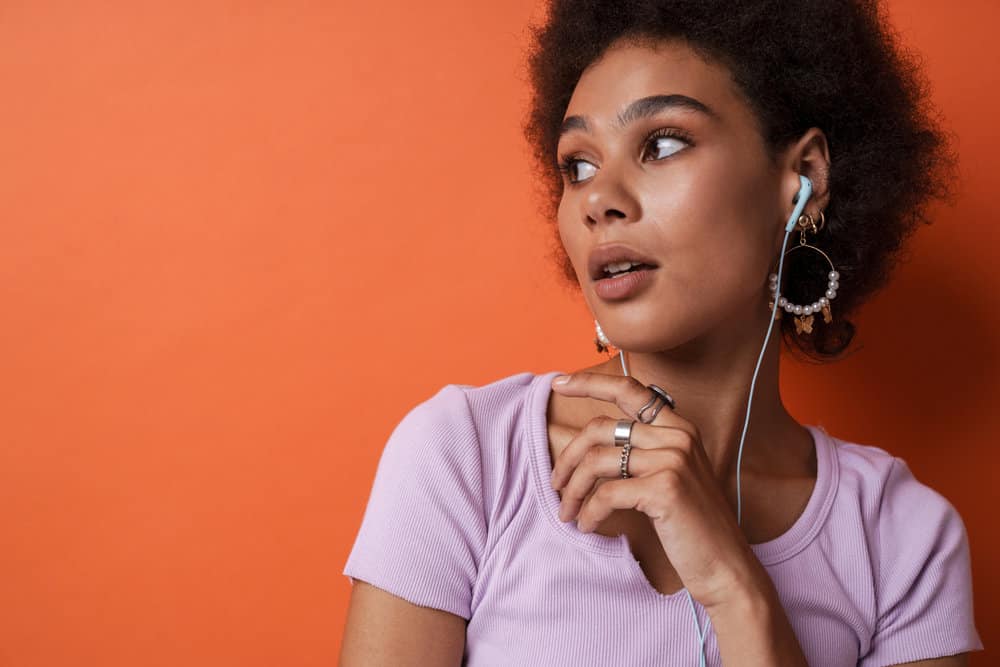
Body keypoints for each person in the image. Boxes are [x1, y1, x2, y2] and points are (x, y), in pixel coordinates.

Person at [339, 1, 985, 665]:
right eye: (578, 166)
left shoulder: (899, 536)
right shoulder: (468, 459)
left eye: (662, 143)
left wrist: (734, 586)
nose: (599, 200)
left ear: (803, 182)